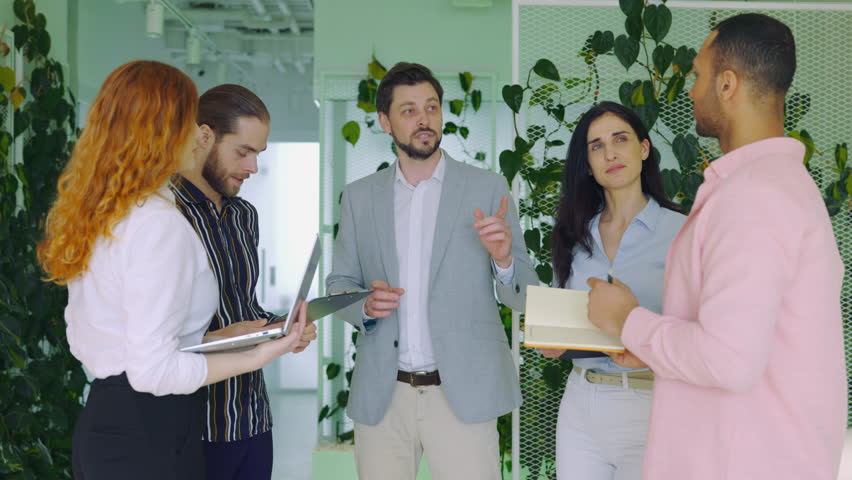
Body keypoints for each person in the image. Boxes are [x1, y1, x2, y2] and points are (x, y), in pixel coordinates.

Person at [586, 13, 846, 480]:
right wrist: (649, 349)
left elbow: (728, 359)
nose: (690, 90)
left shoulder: (754, 196)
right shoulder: (776, 186)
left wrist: (629, 321)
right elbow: (747, 343)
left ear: (727, 85)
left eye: (698, 76)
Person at [37, 60, 307, 480]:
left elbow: (131, 343)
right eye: (187, 121)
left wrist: (221, 338)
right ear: (163, 131)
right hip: (149, 432)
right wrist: (258, 354)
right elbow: (153, 372)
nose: (197, 134)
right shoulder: (157, 221)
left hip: (114, 421)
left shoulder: (113, 210)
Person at [326, 62, 538, 479]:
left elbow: (524, 293)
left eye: (432, 107)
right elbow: (339, 284)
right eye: (408, 110)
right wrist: (364, 305)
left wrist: (504, 258)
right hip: (384, 396)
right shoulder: (358, 197)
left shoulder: (488, 188)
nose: (424, 119)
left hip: (463, 391)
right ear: (385, 121)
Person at [171, 84, 317, 480]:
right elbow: (156, 334)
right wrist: (224, 335)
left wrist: (281, 327)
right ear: (205, 137)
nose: (253, 167)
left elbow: (244, 308)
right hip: (193, 425)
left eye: (258, 154)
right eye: (243, 152)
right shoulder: (166, 213)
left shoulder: (243, 216)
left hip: (252, 418)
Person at [538, 101, 685, 479]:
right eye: (597, 146)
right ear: (587, 164)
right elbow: (566, 313)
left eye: (621, 139)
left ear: (644, 148)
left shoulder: (683, 232)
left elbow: (697, 329)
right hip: (581, 405)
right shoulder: (573, 235)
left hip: (651, 402)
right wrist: (553, 339)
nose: (611, 153)